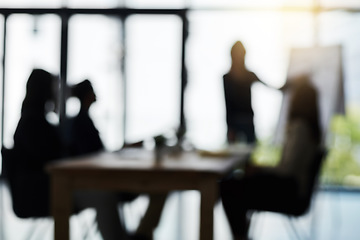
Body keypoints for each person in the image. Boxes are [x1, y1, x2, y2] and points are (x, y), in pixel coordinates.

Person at [220, 75, 321, 240]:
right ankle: (241, 234)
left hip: (289, 192)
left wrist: (260, 168)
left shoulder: (300, 129)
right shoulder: (309, 129)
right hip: (292, 189)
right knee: (235, 183)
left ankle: (239, 236)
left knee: (229, 187)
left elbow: (286, 169)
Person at [223, 41, 270, 144]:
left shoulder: (249, 75)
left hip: (248, 121)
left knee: (248, 155)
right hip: (235, 123)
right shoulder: (227, 78)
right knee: (234, 156)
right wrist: (230, 127)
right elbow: (227, 103)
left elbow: (271, 86)